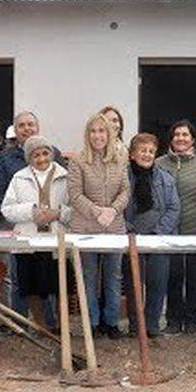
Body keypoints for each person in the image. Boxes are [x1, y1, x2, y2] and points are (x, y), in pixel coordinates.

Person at [155, 120, 196, 334]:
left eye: (185, 135)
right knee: (173, 276)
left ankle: (193, 320)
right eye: (177, 134)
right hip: (169, 232)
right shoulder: (159, 164)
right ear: (171, 138)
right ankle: (173, 320)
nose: (180, 138)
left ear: (193, 139)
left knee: (195, 276)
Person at [69, 112, 130, 339]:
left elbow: (125, 190)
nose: (98, 135)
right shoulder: (78, 160)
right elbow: (75, 194)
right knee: (88, 276)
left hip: (114, 226)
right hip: (85, 227)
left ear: (110, 133)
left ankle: (111, 321)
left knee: (113, 276)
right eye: (93, 131)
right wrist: (96, 211)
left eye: (102, 131)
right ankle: (91, 322)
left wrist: (113, 210)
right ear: (88, 134)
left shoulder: (119, 159)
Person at [1, 136, 71, 327]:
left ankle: (57, 325)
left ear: (51, 154)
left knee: (55, 286)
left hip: (55, 239)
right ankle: (40, 326)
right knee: (30, 287)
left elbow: (75, 210)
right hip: (28, 240)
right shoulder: (19, 178)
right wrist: (31, 212)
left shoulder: (66, 177)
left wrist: (57, 214)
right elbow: (6, 209)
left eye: (45, 153)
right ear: (28, 158)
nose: (41, 159)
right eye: (35, 155)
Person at [123, 133, 180, 338]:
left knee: (158, 282)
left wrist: (159, 232)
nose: (146, 155)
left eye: (151, 151)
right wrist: (128, 229)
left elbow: (174, 208)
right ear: (132, 154)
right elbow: (116, 207)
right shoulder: (122, 177)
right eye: (142, 150)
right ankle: (135, 325)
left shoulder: (166, 177)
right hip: (132, 238)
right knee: (133, 285)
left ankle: (152, 324)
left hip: (158, 239)